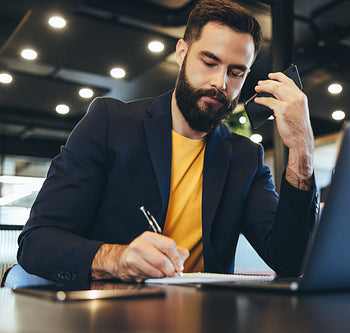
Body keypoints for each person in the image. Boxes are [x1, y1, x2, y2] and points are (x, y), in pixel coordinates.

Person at [17, 0, 317, 288]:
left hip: (206, 318)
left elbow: (291, 261)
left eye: (236, 72)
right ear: (182, 52)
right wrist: (116, 259)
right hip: (110, 316)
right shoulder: (110, 123)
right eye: (209, 62)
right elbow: (37, 242)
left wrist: (302, 150)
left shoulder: (245, 158)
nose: (220, 82)